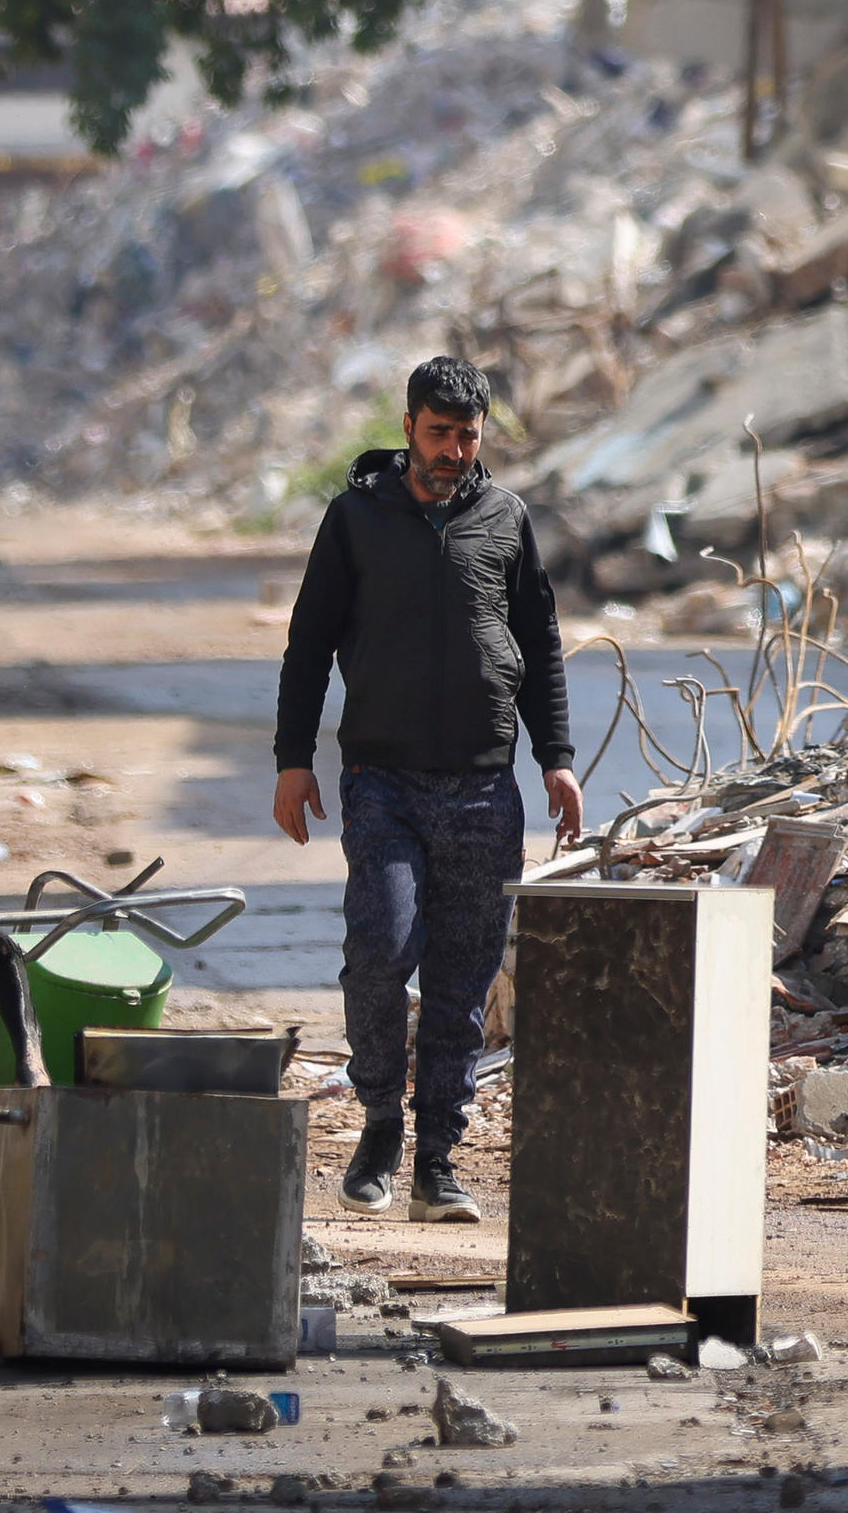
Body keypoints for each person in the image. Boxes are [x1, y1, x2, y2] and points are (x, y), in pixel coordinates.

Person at [272, 353, 584, 1220]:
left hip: (486, 791)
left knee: (461, 982)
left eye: (468, 436)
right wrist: (293, 760)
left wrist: (556, 757)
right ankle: (379, 1118)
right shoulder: (354, 521)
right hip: (384, 783)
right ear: (408, 426)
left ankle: (437, 1159)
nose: (453, 450)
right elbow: (308, 647)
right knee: (381, 949)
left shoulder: (505, 520)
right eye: (439, 433)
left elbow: (540, 645)